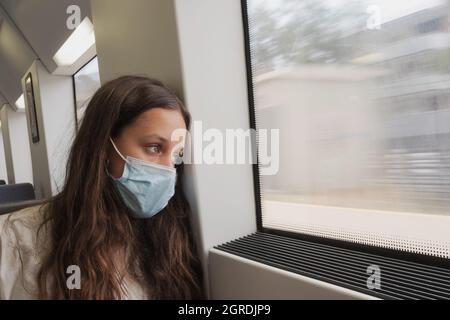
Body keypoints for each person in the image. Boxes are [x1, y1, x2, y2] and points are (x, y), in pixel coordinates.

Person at [0, 76, 204, 299]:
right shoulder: (15, 238)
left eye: (177, 155)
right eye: (154, 147)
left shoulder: (170, 239)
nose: (169, 170)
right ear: (104, 147)